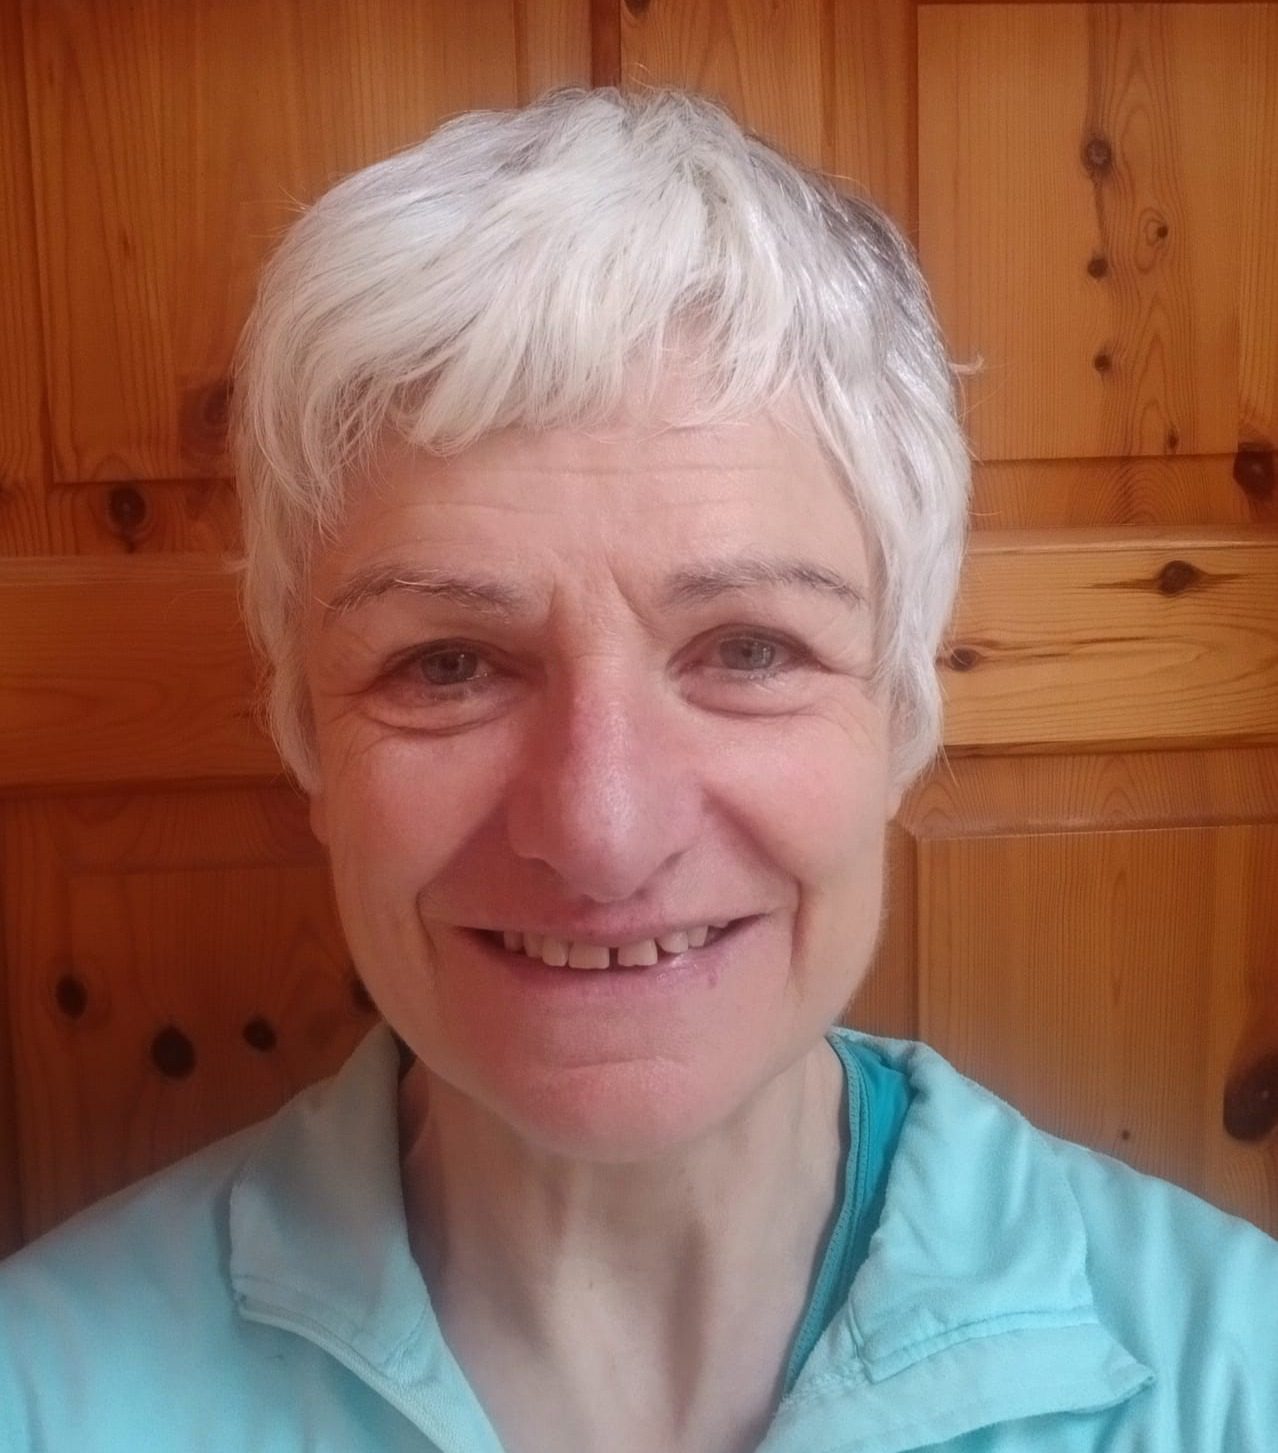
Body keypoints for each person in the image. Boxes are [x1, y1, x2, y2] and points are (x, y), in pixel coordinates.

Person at [0, 87, 1274, 1453]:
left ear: (902, 715)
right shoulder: (44, 1394)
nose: (601, 830)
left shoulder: (1234, 1377)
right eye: (448, 664)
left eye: (748, 650)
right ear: (306, 737)